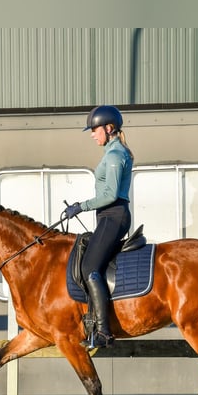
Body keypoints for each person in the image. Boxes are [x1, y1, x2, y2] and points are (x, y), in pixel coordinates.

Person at [64, 105, 133, 349]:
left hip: (114, 216)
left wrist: (80, 206)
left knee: (90, 266)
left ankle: (103, 330)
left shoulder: (115, 156)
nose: (92, 134)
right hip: (107, 217)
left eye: (95, 130)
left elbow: (111, 194)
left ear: (109, 128)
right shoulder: (111, 153)